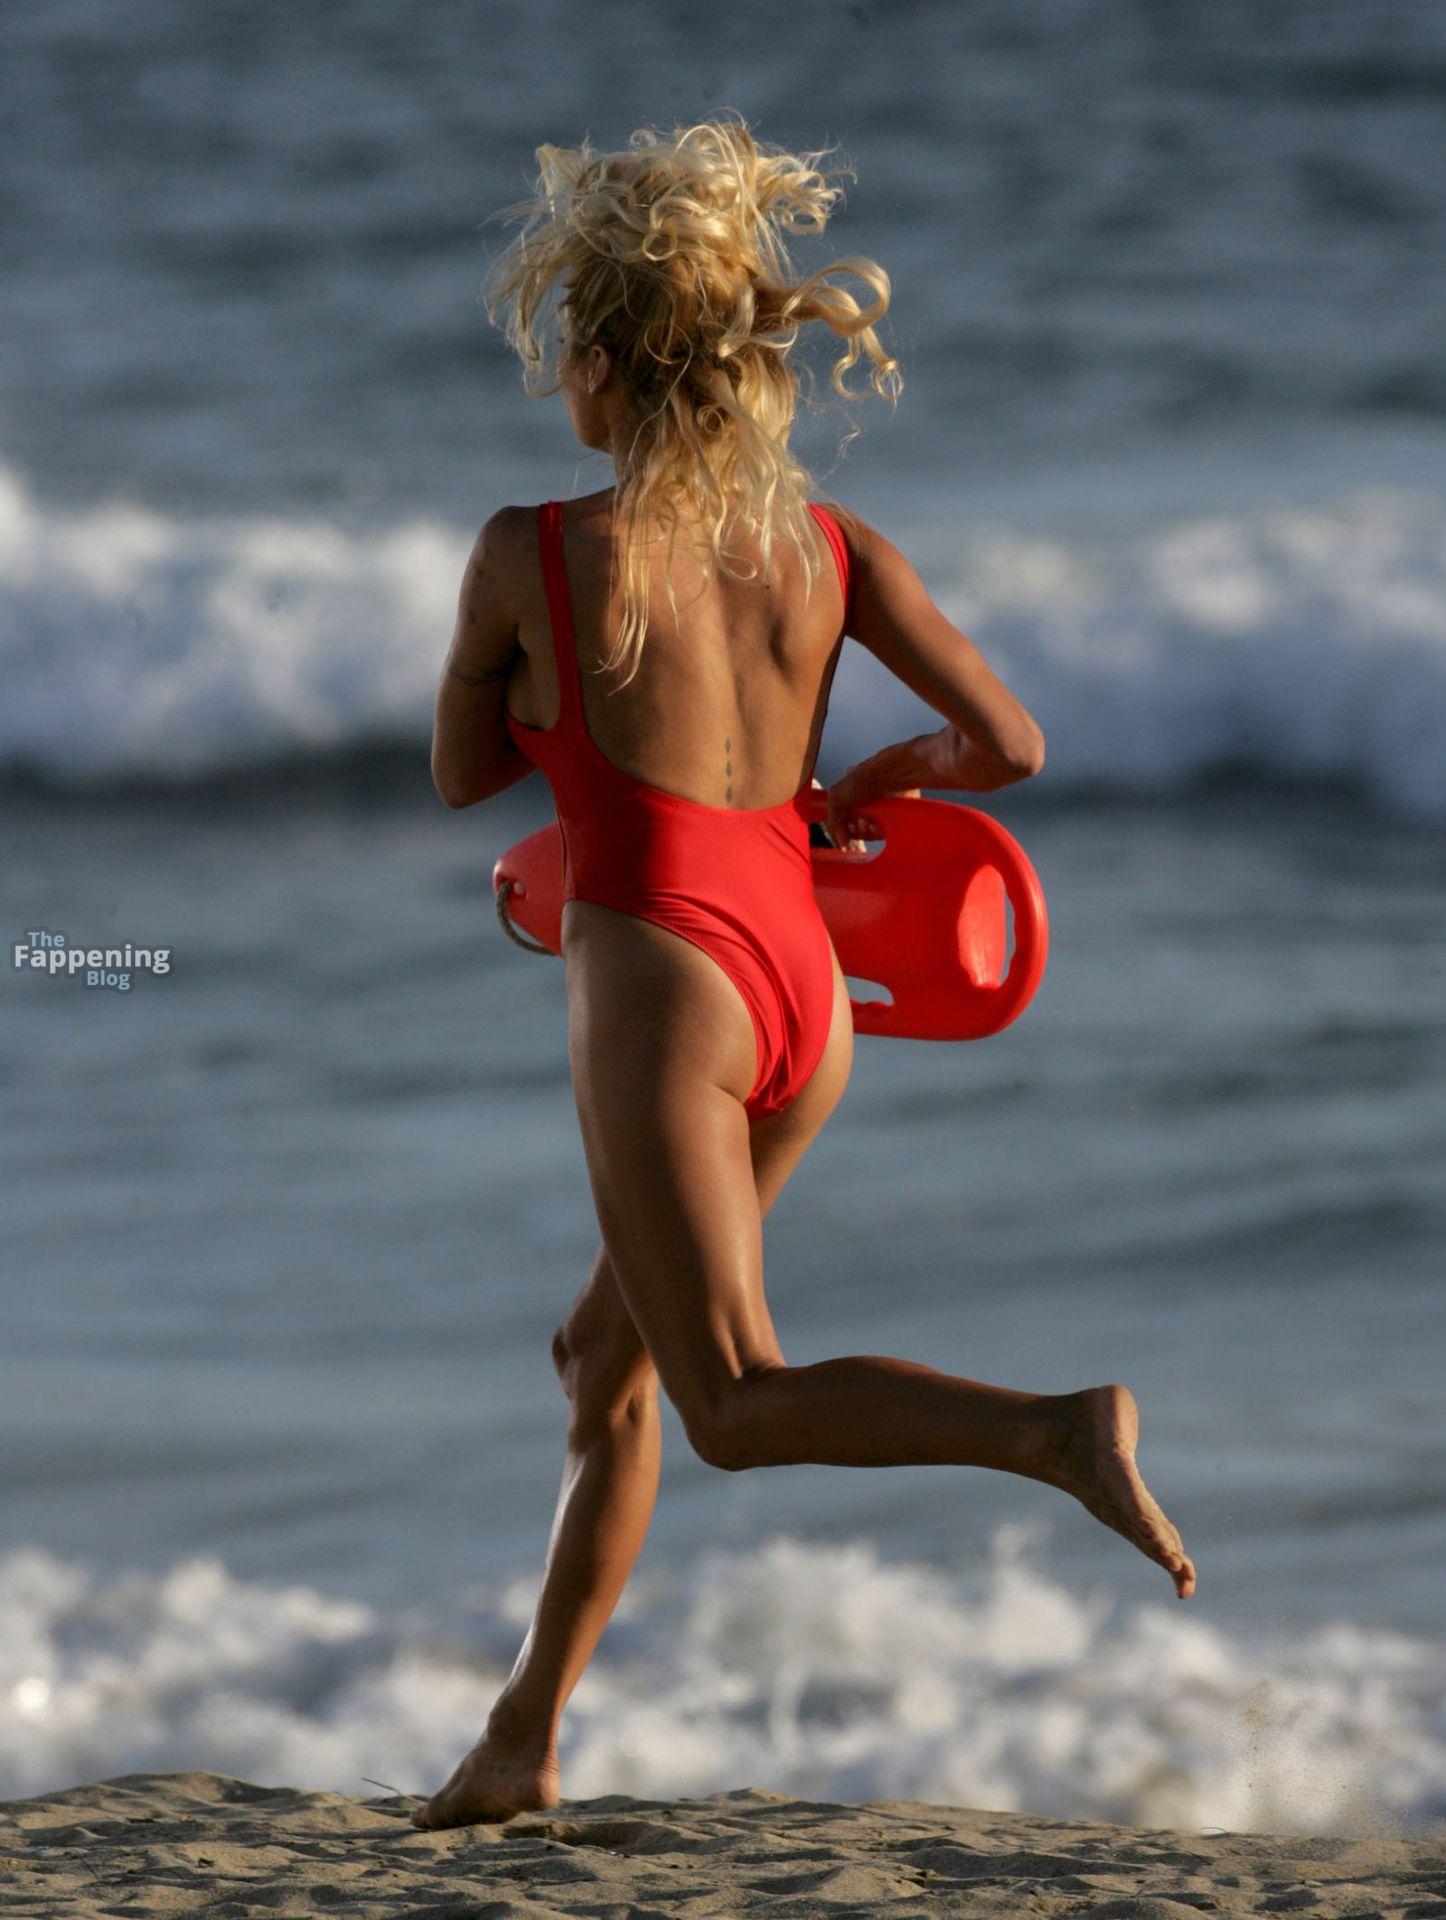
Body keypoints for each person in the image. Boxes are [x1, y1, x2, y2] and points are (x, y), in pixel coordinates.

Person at [415, 117, 1194, 1833]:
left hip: (664, 983)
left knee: (730, 1404)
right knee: (602, 1360)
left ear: (606, 365)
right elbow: (1009, 744)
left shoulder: (529, 549)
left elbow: (466, 779)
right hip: (806, 992)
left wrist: (535, 702)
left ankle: (1052, 1432)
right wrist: (883, 778)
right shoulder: (830, 548)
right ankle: (520, 1738)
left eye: (571, 353)